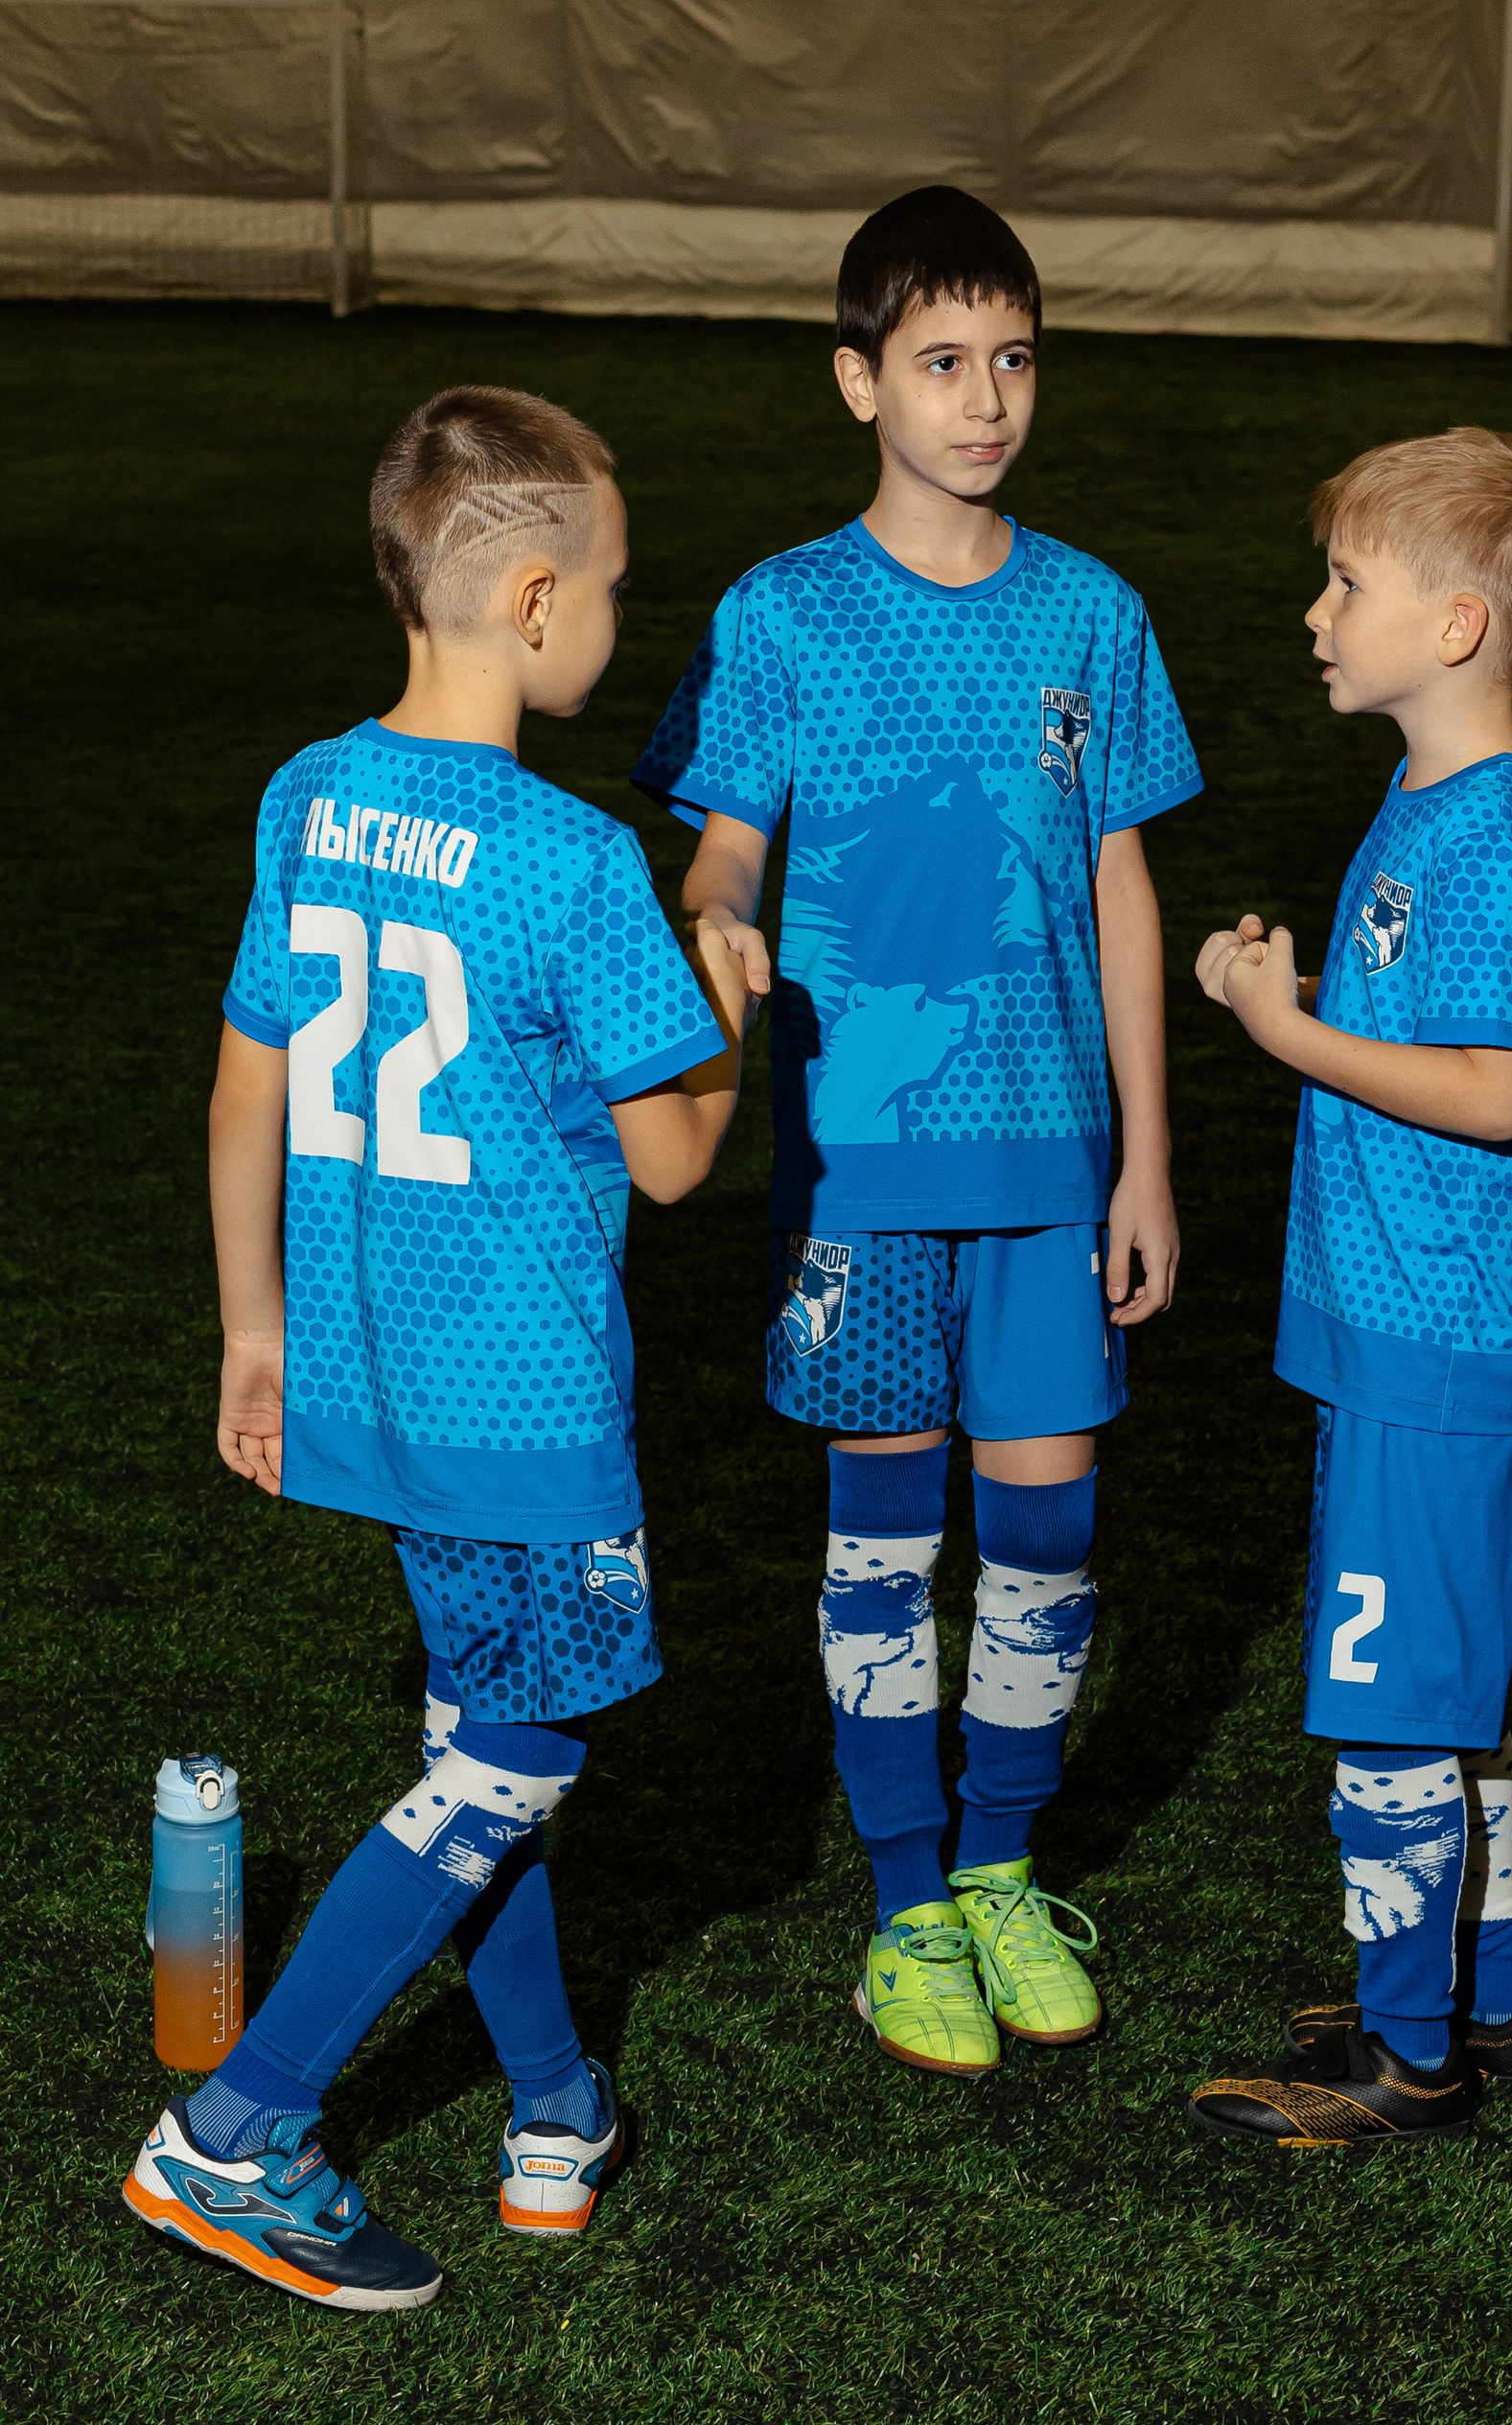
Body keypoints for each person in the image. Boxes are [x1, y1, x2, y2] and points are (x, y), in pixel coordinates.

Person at [123, 386, 750, 2306]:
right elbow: (676, 1161)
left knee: (483, 1747)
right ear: (538, 601)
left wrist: (253, 1333)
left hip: (375, 1381)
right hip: (525, 1405)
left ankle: (555, 2106)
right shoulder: (577, 860)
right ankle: (236, 2131)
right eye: (615, 587)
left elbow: (244, 1089)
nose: (620, 619)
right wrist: (733, 998)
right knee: (510, 1764)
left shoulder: (305, 795)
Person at [634, 187, 1203, 2078]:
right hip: (861, 1167)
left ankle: (1000, 1868)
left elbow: (1121, 889)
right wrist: (716, 913)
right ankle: (904, 1905)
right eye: (943, 362)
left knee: (1046, 1538)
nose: (986, 399)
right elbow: (726, 838)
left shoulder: (1094, 613)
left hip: (1051, 1165)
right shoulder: (780, 610)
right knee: (884, 1542)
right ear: (857, 381)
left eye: (1014, 358)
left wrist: (1145, 1158)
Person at [1187, 426, 1512, 2149]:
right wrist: (1293, 993)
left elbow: (1498, 1092)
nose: (1316, 612)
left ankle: (1408, 2059)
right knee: (1450, 1689)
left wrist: (1285, 1033)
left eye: (1348, 583)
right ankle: (1487, 2000)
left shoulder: (1482, 836)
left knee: (1389, 1704)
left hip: (1434, 1343)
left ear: (1457, 626)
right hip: (1418, 1330)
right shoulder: (1445, 795)